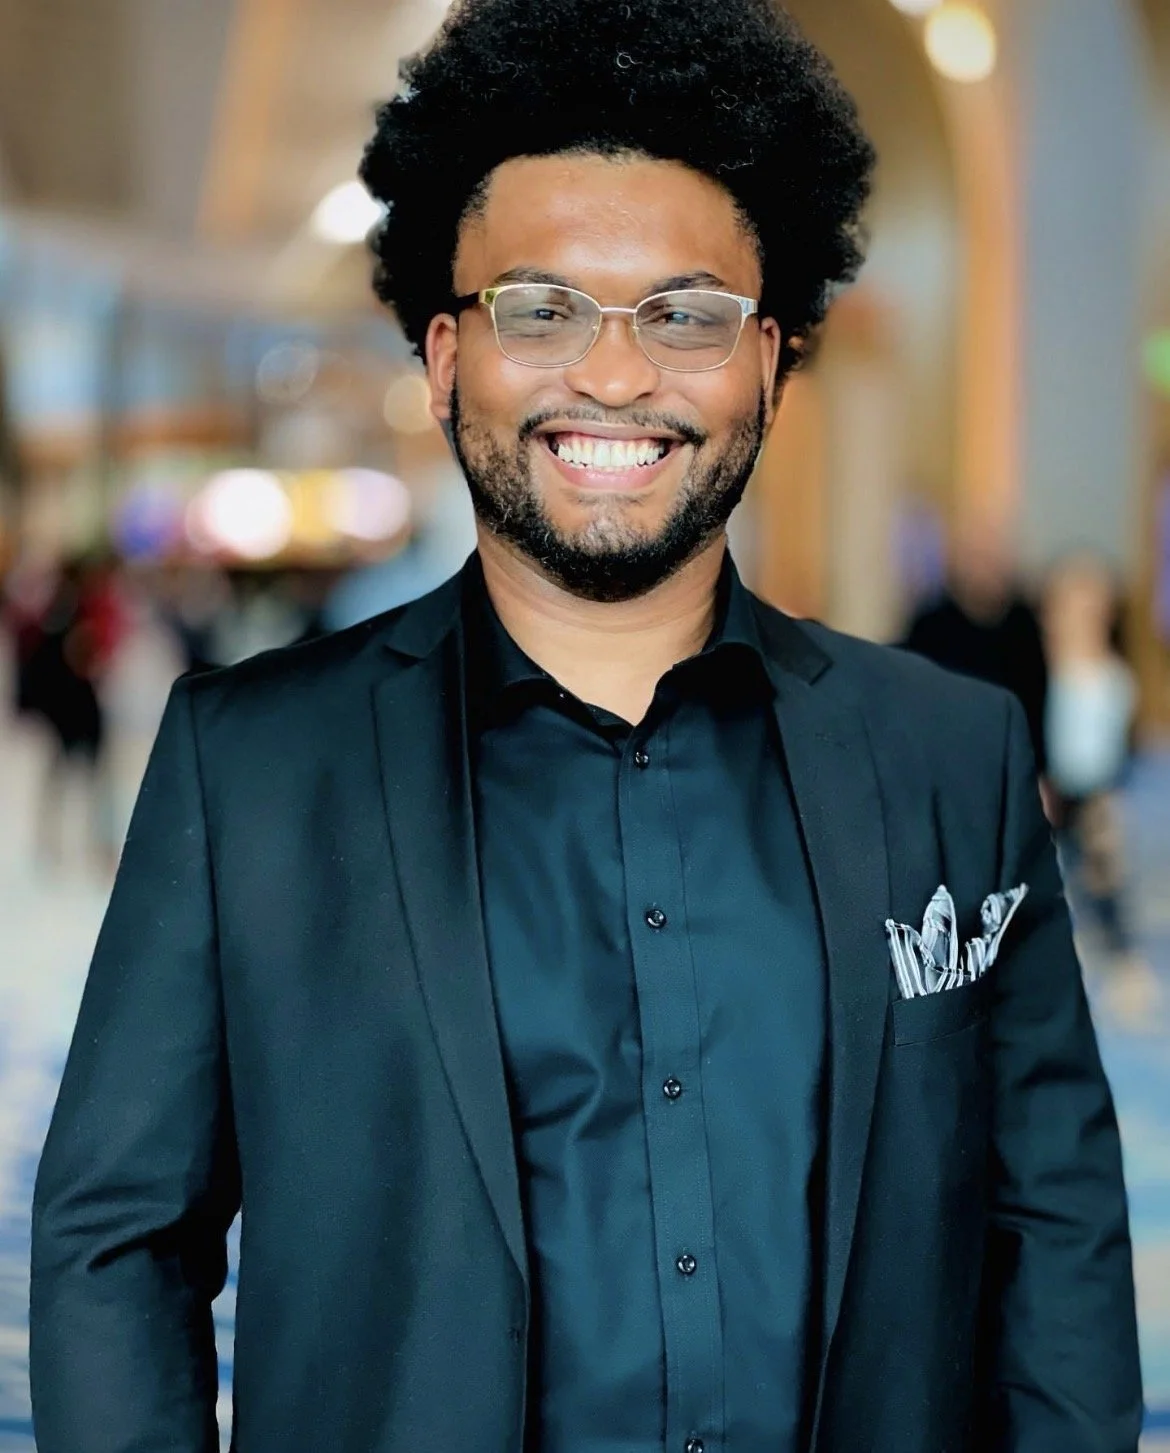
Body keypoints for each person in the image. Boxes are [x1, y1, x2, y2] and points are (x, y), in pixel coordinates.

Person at [30, 1, 1141, 1450]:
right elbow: (118, 1242)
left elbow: (1049, 1224)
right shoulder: (250, 769)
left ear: (770, 361)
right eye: (537, 309)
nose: (613, 376)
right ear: (441, 357)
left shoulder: (947, 757)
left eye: (683, 314)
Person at [1042, 554, 1140, 963]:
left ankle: (1118, 945)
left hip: (1097, 786)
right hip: (1054, 784)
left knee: (1101, 866)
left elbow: (1119, 741)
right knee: (1053, 868)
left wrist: (1113, 788)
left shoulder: (1113, 676)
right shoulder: (1047, 669)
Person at [903, 512, 1050, 772]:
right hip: (944, 760)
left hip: (1012, 762)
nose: (984, 566)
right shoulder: (930, 624)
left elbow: (1038, 706)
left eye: (991, 556)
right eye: (976, 556)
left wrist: (1040, 771)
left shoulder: (1024, 625)